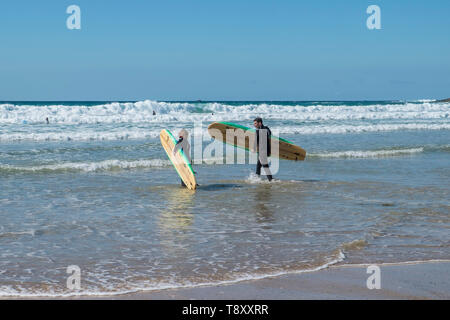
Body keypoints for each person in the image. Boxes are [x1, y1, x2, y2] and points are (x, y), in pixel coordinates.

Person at [252, 117, 273, 181]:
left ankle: (271, 180)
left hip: (264, 150)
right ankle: (257, 178)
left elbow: (269, 134)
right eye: (254, 123)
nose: (254, 125)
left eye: (255, 123)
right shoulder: (259, 130)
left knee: (264, 166)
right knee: (259, 165)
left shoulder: (265, 129)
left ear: (260, 123)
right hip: (262, 151)